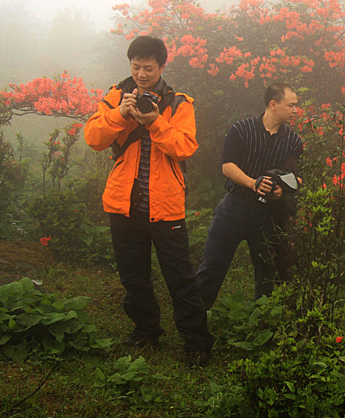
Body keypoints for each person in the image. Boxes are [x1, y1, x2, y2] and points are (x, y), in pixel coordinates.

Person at [84, 35, 214, 367]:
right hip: (123, 204)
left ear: (162, 66)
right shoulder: (115, 96)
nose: (141, 74)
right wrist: (119, 115)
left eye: (149, 68)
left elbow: (185, 147)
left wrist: (155, 121)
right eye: (136, 67)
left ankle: (196, 342)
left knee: (180, 277)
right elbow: (94, 139)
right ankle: (146, 331)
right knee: (133, 275)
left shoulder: (179, 103)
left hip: (165, 205)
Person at [196, 83, 303, 309]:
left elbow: (299, 178)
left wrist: (282, 190)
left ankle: (261, 328)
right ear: (273, 105)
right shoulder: (241, 129)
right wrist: (254, 183)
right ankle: (194, 323)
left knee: (266, 273)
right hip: (234, 208)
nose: (296, 110)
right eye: (291, 105)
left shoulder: (293, 140)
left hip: (269, 215)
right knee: (212, 267)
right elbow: (227, 166)